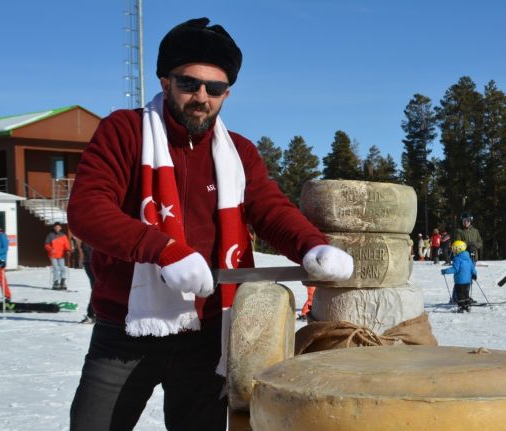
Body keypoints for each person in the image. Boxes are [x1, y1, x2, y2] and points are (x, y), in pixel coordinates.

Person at [66, 18, 353, 430]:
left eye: (214, 89)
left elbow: (270, 208)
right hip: (126, 329)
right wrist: (163, 250)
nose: (201, 97)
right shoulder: (124, 132)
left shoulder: (237, 151)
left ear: (227, 93)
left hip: (210, 333)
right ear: (165, 82)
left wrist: (312, 246)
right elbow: (88, 208)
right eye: (189, 84)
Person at [441, 240, 477, 313]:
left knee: (460, 294)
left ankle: (461, 307)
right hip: (468, 281)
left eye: (454, 248)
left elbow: (455, 269)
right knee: (466, 294)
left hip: (460, 281)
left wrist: (445, 271)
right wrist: (474, 274)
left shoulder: (457, 258)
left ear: (459, 249)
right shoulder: (468, 257)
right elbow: (472, 267)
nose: (453, 250)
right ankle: (466, 307)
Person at [44, 222, 71, 290]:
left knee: (63, 269)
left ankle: (62, 282)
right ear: (54, 228)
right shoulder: (50, 235)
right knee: (56, 269)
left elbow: (66, 244)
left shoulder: (63, 235)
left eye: (58, 227)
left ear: (60, 228)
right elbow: (46, 245)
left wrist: (68, 250)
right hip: (53, 255)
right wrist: (51, 249)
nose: (57, 228)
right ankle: (56, 283)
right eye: (56, 227)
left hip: (61, 255)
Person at [79, 239, 96, 324]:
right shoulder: (87, 239)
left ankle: (94, 314)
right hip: (90, 264)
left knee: (98, 289)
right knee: (96, 289)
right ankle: (91, 315)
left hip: (95, 263)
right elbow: (86, 249)